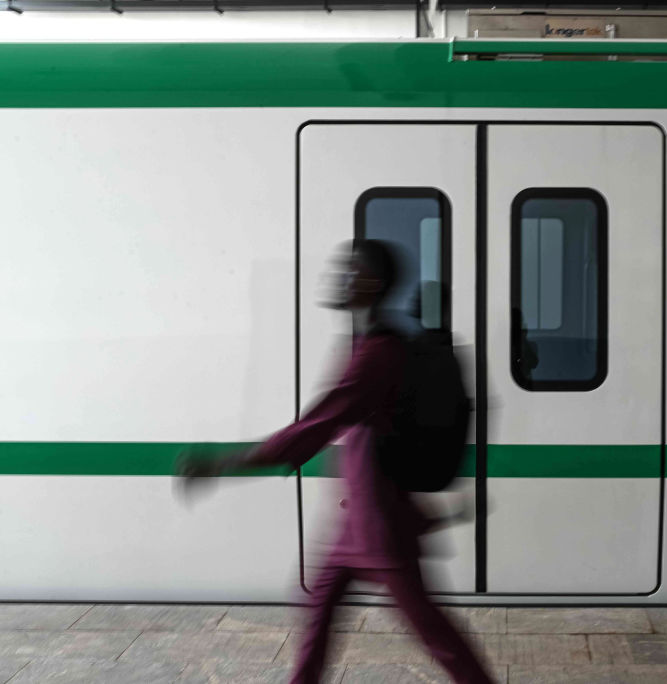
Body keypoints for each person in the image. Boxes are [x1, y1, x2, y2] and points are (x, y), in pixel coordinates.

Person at [178, 239, 493, 684]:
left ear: (372, 282)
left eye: (350, 268)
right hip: (357, 523)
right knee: (319, 612)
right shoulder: (366, 344)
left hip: (379, 529)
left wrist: (223, 464)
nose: (338, 275)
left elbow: (315, 428)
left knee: (433, 633)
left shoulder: (378, 354)